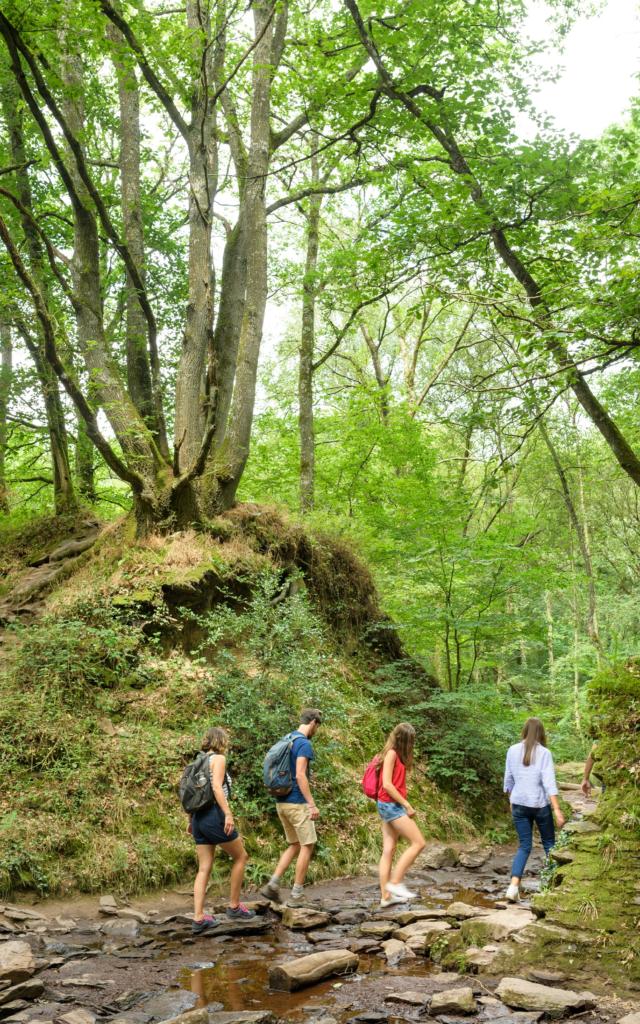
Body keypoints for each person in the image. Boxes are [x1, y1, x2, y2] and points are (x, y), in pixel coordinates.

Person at [189, 727, 255, 934]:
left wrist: (191, 819)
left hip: (198, 817)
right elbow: (217, 788)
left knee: (204, 868)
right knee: (241, 857)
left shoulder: (196, 762)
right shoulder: (217, 759)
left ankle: (198, 918)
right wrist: (228, 814)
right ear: (221, 741)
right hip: (214, 815)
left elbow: (191, 793)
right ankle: (234, 906)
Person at [260, 708, 322, 906]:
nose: (316, 731)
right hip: (297, 803)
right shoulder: (303, 744)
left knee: (294, 844)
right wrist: (311, 804)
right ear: (313, 723)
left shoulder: (287, 738)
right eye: (317, 727)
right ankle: (296, 895)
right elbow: (300, 775)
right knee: (307, 845)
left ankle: (273, 885)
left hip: (281, 802)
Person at [503, 717, 565, 903]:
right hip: (539, 805)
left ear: (524, 731)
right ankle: (551, 885)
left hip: (519, 804)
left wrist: (511, 800)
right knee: (549, 844)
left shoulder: (512, 750)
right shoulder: (545, 753)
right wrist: (557, 810)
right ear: (541, 733)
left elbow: (508, 780)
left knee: (524, 846)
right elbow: (549, 782)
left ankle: (513, 887)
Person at [376, 722, 426, 908]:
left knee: (389, 849)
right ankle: (395, 883)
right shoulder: (391, 754)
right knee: (419, 843)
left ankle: (386, 897)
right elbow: (387, 784)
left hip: (387, 805)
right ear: (405, 741)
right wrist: (406, 804)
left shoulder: (394, 755)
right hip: (391, 806)